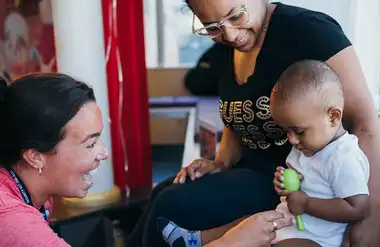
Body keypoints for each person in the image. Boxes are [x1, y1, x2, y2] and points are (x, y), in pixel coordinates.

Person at [128, 1, 380, 247]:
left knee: (171, 205)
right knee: (162, 191)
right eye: (212, 26)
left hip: (302, 183)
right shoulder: (227, 48)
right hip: (262, 173)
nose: (229, 34)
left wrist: (370, 219)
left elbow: (366, 122)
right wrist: (219, 163)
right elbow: (236, 119)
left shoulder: (310, 31)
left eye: (235, 16)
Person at [0, 73, 109, 247]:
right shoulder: (5, 216)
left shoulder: (13, 175)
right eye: (90, 144)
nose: (104, 153)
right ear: (35, 157)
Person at [270, 60, 370, 246]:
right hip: (286, 226)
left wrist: (307, 204)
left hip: (315, 239)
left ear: (333, 117)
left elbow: (358, 207)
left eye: (298, 131)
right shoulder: (306, 145)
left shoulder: (343, 157)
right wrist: (284, 182)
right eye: (287, 132)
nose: (291, 140)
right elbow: (305, 183)